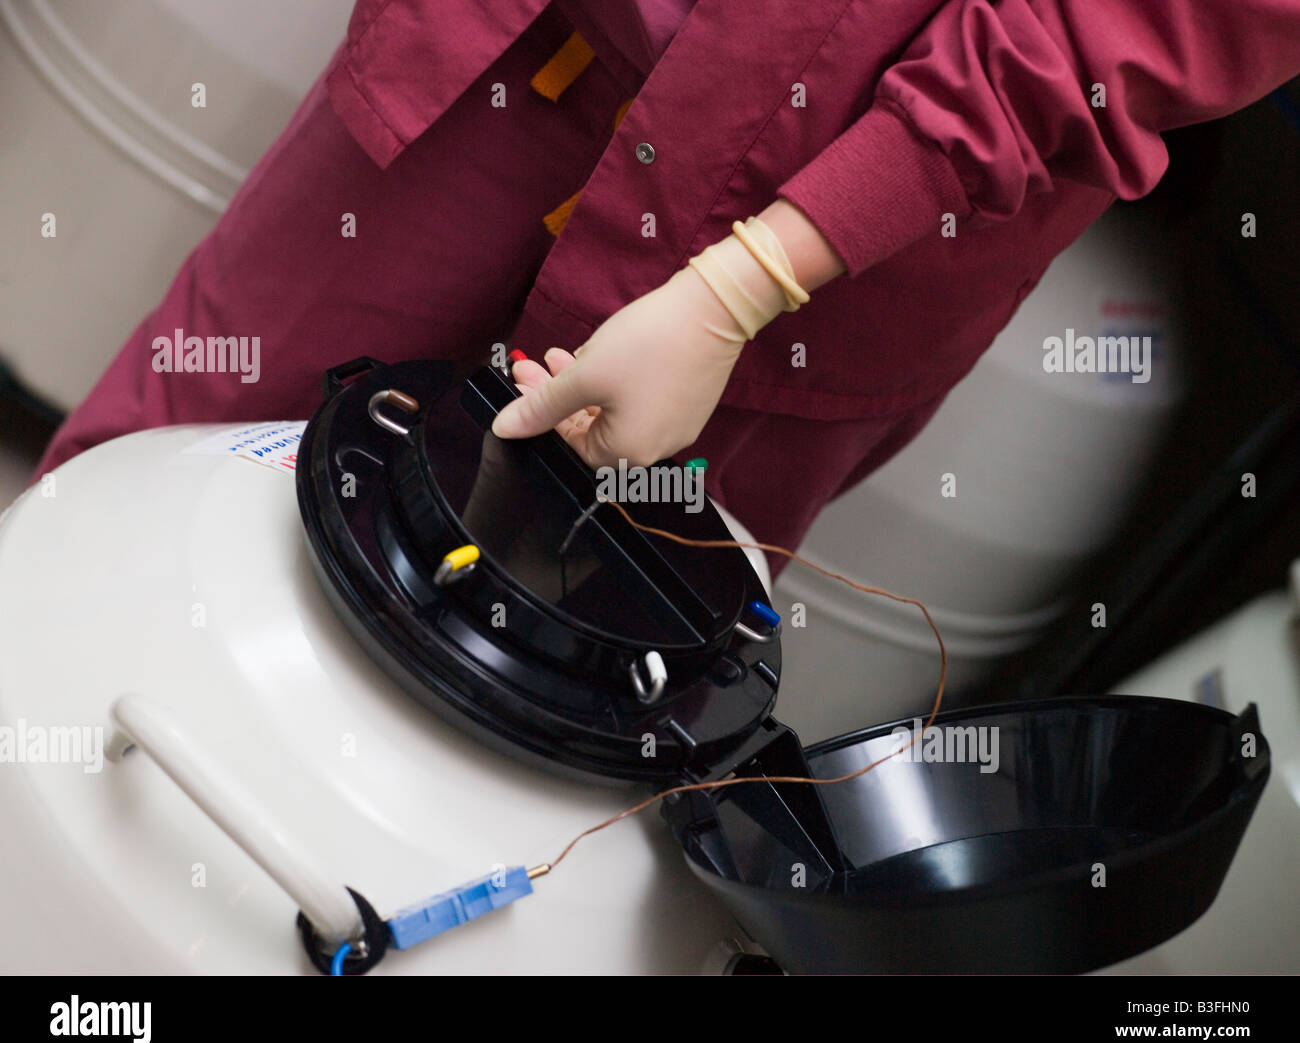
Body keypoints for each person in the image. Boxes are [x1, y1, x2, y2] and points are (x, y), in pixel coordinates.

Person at [33, 0, 1300, 577]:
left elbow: (1108, 28)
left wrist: (740, 288)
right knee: (157, 477)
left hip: (831, 236)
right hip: (508, 50)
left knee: (547, 673)